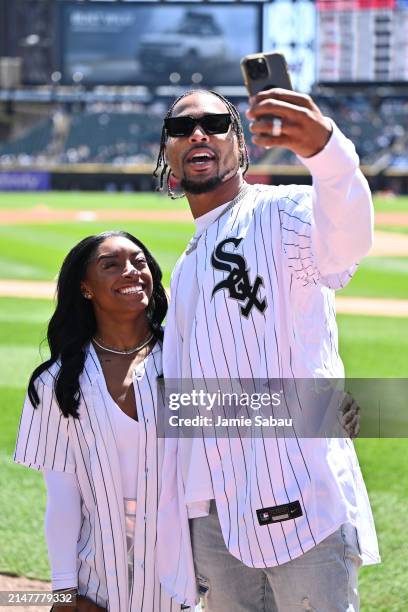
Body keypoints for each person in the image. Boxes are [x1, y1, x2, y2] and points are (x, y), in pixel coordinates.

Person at [155, 89, 380, 611]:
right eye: (180, 127)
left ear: (240, 146)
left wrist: (325, 150)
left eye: (214, 122)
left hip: (301, 501)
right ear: (168, 160)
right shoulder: (186, 267)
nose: (197, 133)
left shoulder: (281, 213)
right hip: (215, 518)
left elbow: (345, 240)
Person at [14, 231, 194, 611]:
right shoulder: (57, 383)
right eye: (111, 265)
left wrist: (337, 406)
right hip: (96, 581)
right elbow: (63, 498)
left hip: (181, 578)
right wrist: (65, 591)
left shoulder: (188, 362)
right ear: (85, 288)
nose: (131, 271)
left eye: (139, 262)